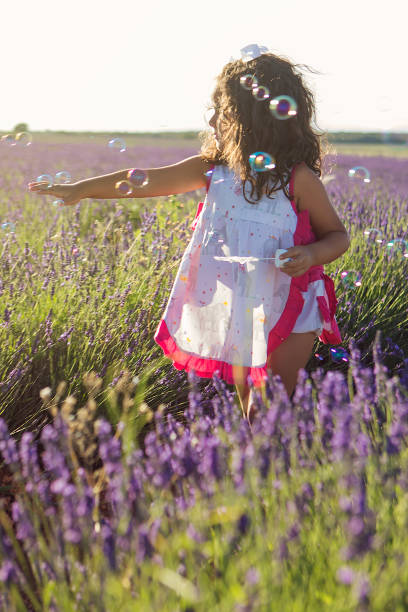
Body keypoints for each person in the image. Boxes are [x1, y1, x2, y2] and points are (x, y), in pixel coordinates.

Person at [28, 44, 350, 424]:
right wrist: (81, 188)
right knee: (253, 406)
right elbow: (143, 180)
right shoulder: (213, 170)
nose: (212, 119)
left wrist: (311, 256)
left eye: (224, 112)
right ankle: (262, 472)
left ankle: (275, 468)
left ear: (257, 121)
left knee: (269, 403)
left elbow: (337, 236)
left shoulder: (296, 179)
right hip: (244, 302)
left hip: (293, 302)